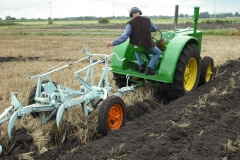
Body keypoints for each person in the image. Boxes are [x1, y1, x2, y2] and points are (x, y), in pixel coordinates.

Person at [106, 7, 161, 75]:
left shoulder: (130, 23)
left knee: (137, 49)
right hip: (147, 44)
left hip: (135, 45)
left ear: (131, 15)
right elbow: (154, 29)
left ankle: (141, 65)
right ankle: (149, 68)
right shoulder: (147, 20)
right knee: (157, 52)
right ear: (140, 12)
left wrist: (113, 43)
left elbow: (124, 36)